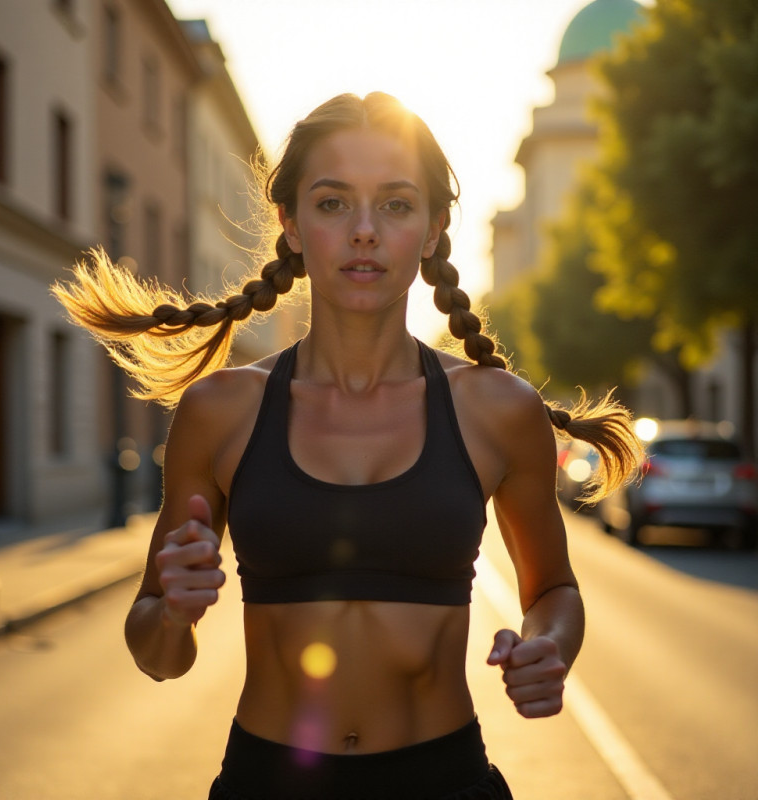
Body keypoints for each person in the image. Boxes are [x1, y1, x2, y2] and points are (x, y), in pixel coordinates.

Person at [53, 92, 642, 799]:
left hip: (443, 782)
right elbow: (157, 655)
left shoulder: (496, 410)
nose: (365, 231)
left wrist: (550, 645)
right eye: (333, 204)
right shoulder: (220, 411)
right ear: (292, 225)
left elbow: (552, 590)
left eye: (395, 205)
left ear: (431, 229)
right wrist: (174, 612)